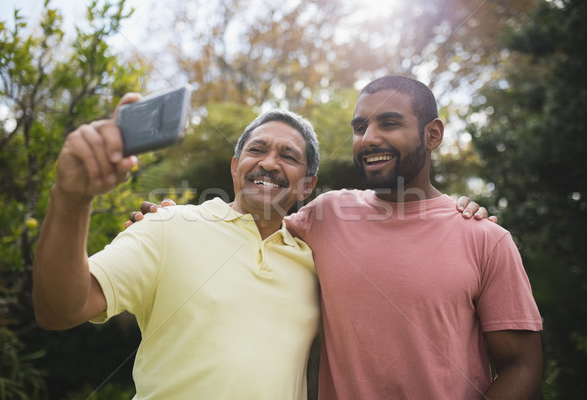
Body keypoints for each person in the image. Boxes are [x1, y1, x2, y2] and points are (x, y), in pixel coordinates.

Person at [133, 76, 543, 399]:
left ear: (432, 135)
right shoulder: (326, 215)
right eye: (360, 126)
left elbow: (522, 366)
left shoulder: (485, 238)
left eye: (389, 123)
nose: (369, 138)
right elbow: (246, 226)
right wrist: (174, 219)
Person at [32, 101, 324, 399]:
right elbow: (59, 311)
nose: (269, 163)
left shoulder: (317, 266)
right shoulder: (167, 226)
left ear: (306, 186)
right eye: (257, 150)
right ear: (236, 167)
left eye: (288, 156)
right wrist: (72, 198)